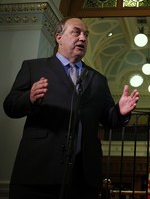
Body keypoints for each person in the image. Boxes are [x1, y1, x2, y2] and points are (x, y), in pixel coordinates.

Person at [3, 17, 139, 199]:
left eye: (86, 35)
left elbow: (109, 120)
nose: (83, 38)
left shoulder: (98, 79)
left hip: (83, 177)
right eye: (76, 32)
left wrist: (120, 112)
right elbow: (10, 106)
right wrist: (29, 98)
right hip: (38, 171)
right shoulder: (34, 67)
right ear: (58, 37)